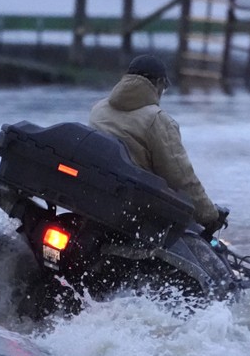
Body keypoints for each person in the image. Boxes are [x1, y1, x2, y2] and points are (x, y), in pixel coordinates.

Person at [89, 54, 226, 234]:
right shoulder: (157, 120)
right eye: (165, 87)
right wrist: (209, 215)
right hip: (137, 212)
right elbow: (181, 178)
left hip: (96, 198)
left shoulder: (99, 108)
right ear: (159, 83)